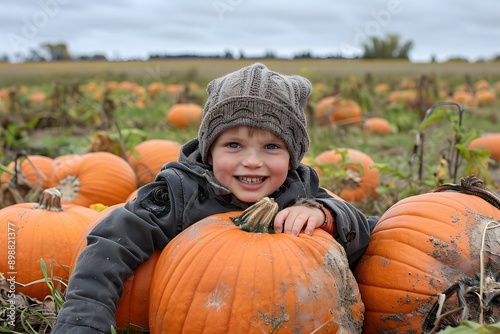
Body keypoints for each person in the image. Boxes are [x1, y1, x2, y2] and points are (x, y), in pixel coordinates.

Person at [53, 62, 378, 333]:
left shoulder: (298, 189)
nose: (252, 161)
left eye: (271, 147)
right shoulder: (180, 192)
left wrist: (324, 212)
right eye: (233, 145)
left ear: (292, 158)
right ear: (210, 151)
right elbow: (110, 245)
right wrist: (84, 318)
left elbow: (365, 230)